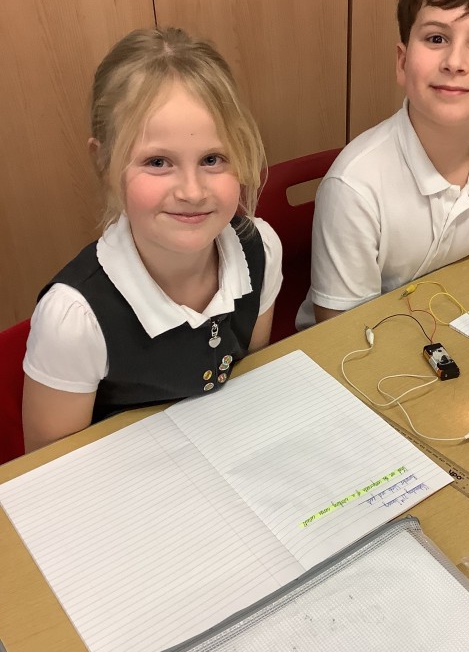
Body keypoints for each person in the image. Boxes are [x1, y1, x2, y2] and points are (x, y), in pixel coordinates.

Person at [23, 27, 282, 451]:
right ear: (104, 162)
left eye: (213, 159)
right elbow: (51, 471)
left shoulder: (260, 250)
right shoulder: (74, 320)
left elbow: (249, 387)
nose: (192, 191)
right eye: (158, 162)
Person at [297, 0, 469, 329]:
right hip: (363, 347)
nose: (455, 62)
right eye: (436, 38)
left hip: (456, 326)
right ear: (403, 63)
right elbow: (343, 338)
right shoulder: (355, 188)